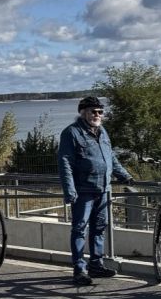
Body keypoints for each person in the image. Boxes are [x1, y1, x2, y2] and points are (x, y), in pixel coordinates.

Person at [57, 95, 133, 286]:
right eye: (93, 111)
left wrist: (124, 175)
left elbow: (111, 157)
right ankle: (79, 269)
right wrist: (69, 190)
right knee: (79, 229)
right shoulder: (71, 133)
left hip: (103, 189)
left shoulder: (102, 131)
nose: (97, 115)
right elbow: (65, 163)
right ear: (83, 113)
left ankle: (96, 265)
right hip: (83, 191)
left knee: (99, 228)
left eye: (100, 112)